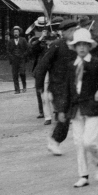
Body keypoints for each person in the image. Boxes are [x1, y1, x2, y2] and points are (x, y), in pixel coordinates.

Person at [60, 28, 98, 188]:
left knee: (88, 141)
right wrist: (62, 110)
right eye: (79, 45)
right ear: (74, 47)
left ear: (89, 46)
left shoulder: (96, 63)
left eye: (85, 45)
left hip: (92, 107)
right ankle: (83, 175)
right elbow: (67, 89)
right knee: (78, 142)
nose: (82, 48)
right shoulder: (71, 65)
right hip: (76, 108)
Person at [35, 19, 78, 154]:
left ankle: (55, 138)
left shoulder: (78, 45)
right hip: (58, 87)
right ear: (63, 33)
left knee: (67, 115)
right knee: (63, 114)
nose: (73, 33)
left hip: (72, 87)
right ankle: (54, 141)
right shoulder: (57, 45)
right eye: (70, 31)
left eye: (74, 30)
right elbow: (42, 66)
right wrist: (40, 85)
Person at [28, 18, 52, 123]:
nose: (43, 29)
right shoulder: (35, 39)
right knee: (40, 90)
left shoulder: (53, 36)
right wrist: (41, 38)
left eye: (44, 27)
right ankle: (43, 112)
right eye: (41, 27)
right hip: (40, 68)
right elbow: (32, 50)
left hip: (52, 68)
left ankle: (55, 110)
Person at [6, 26, 29, 94]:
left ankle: (24, 87)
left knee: (22, 73)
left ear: (19, 33)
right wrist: (12, 57)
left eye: (17, 32)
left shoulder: (23, 40)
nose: (16, 33)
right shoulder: (10, 41)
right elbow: (8, 51)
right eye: (14, 32)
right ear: (13, 33)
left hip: (21, 59)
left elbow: (27, 49)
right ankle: (17, 90)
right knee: (15, 75)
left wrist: (23, 55)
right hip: (14, 60)